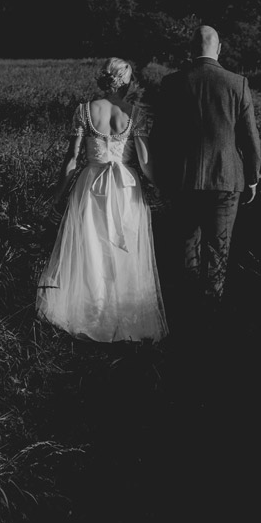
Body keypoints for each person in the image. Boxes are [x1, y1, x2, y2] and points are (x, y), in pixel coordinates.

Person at [36, 58, 168, 342]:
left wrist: (58, 196)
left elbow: (71, 160)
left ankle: (90, 315)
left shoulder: (84, 111)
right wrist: (161, 189)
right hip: (125, 189)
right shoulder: (137, 114)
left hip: (91, 186)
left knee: (91, 250)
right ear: (126, 82)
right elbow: (145, 162)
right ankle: (123, 320)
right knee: (125, 251)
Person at [153, 25, 261, 328]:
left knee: (186, 243)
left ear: (190, 49)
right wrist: (252, 177)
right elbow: (251, 138)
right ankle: (210, 315)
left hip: (183, 178)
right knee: (218, 247)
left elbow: (159, 136)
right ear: (220, 48)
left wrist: (161, 177)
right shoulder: (237, 83)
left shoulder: (172, 83)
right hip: (226, 179)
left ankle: (185, 308)